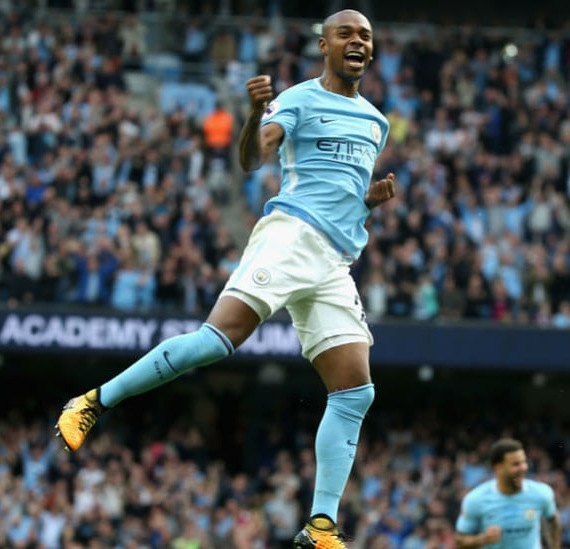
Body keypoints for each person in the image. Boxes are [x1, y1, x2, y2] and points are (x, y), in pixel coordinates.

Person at [56, 9, 394, 549]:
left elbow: (342, 196)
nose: (358, 41)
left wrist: (368, 203)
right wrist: (255, 112)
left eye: (365, 36)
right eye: (345, 34)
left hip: (334, 260)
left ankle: (320, 526)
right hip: (291, 238)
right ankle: (94, 401)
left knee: (355, 391)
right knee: (217, 342)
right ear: (324, 46)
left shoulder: (377, 122)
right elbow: (251, 159)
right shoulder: (299, 99)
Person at [455, 438, 562, 548]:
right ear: (499, 468)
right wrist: (482, 539)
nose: (523, 468)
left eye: (524, 462)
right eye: (516, 464)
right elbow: (459, 541)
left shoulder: (541, 493)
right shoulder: (476, 499)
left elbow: (553, 521)